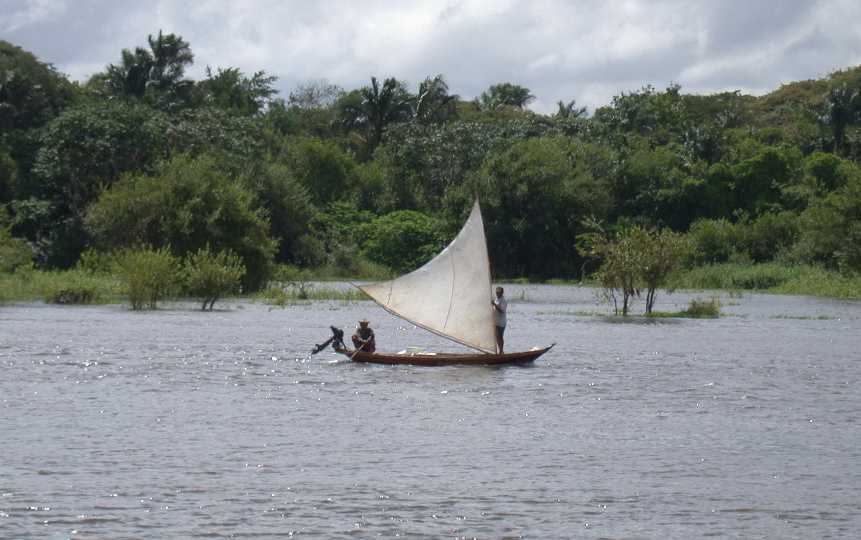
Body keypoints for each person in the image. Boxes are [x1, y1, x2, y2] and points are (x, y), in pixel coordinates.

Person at [491, 286, 507, 354]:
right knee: (497, 336)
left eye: (499, 293)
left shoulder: (503, 301)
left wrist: (494, 304)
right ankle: (500, 351)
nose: (497, 294)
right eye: (497, 292)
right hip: (495, 321)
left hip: (501, 322)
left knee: (500, 336)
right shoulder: (496, 299)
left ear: (502, 293)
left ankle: (501, 351)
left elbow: (501, 311)